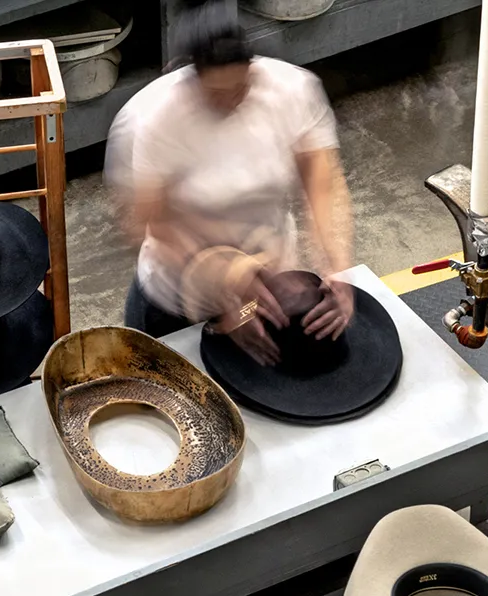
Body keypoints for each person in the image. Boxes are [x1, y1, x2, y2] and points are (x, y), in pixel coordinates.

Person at [105, 0, 354, 365]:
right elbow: (146, 223)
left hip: (268, 290)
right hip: (178, 297)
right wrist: (228, 289)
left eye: (240, 89)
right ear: (191, 77)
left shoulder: (292, 91)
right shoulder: (152, 120)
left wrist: (337, 265)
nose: (230, 103)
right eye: (215, 95)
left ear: (252, 69)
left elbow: (322, 183)